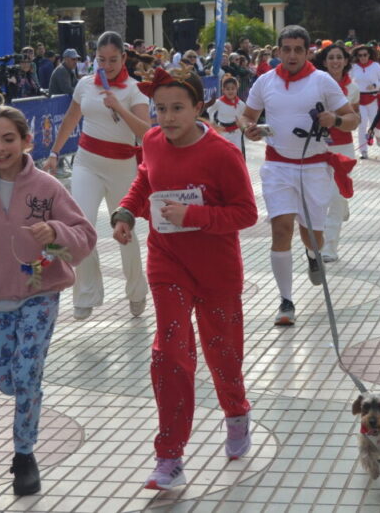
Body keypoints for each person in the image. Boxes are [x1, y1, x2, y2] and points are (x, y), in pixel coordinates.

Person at [111, 67, 258, 490]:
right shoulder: (153, 141)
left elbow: (245, 212)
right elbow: (145, 179)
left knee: (223, 355)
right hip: (167, 261)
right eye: (160, 109)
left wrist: (193, 215)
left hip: (216, 270)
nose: (168, 118)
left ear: (199, 107)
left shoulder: (222, 154)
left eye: (178, 108)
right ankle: (169, 456)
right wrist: (125, 211)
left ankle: (236, 410)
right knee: (170, 353)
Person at [0, 106, 97, 496]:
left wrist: (54, 230)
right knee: (6, 380)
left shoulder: (48, 187)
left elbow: (84, 235)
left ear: (27, 140)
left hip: (40, 292)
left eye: (9, 139)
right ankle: (23, 433)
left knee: (26, 375)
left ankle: (24, 455)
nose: (0, 147)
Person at [237, 25, 359, 326]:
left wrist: (336, 119)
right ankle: (286, 301)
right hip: (278, 166)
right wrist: (247, 129)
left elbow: (353, 119)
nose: (291, 55)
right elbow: (247, 115)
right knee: (281, 229)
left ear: (307, 53)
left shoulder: (323, 82)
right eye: (286, 49)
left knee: (312, 235)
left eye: (298, 50)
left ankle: (313, 255)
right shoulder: (265, 82)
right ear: (278, 51)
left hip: (315, 166)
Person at [43, 31, 150, 320]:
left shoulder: (134, 90)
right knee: (82, 226)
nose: (107, 65)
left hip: (123, 166)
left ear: (124, 57)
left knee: (124, 232)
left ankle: (137, 291)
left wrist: (118, 106)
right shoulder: (85, 84)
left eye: (113, 60)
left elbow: (146, 133)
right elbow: (70, 119)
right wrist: (54, 153)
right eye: (101, 60)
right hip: (87, 163)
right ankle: (86, 293)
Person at [313, 43, 358, 262]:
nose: (335, 61)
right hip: (319, 145)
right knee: (323, 197)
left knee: (336, 197)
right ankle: (342, 204)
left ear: (346, 61)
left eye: (339, 57)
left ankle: (330, 247)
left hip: (344, 147)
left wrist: (338, 120)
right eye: (331, 58)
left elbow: (355, 121)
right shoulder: (315, 86)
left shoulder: (353, 88)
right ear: (324, 61)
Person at [350, 44, 380, 160]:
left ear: (369, 55)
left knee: (374, 123)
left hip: (372, 98)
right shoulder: (354, 67)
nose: (362, 57)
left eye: (365, 55)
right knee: (362, 125)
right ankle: (363, 151)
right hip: (359, 100)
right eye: (360, 55)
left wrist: (376, 85)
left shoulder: (375, 66)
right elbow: (347, 81)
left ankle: (377, 135)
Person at [207, 76, 246, 153]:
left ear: (236, 89)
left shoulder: (241, 104)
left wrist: (243, 126)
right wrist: (212, 123)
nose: (230, 91)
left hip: (236, 133)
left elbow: (245, 116)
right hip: (223, 132)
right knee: (222, 153)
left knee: (237, 153)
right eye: (227, 89)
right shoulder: (218, 102)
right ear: (223, 90)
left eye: (233, 89)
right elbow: (209, 110)